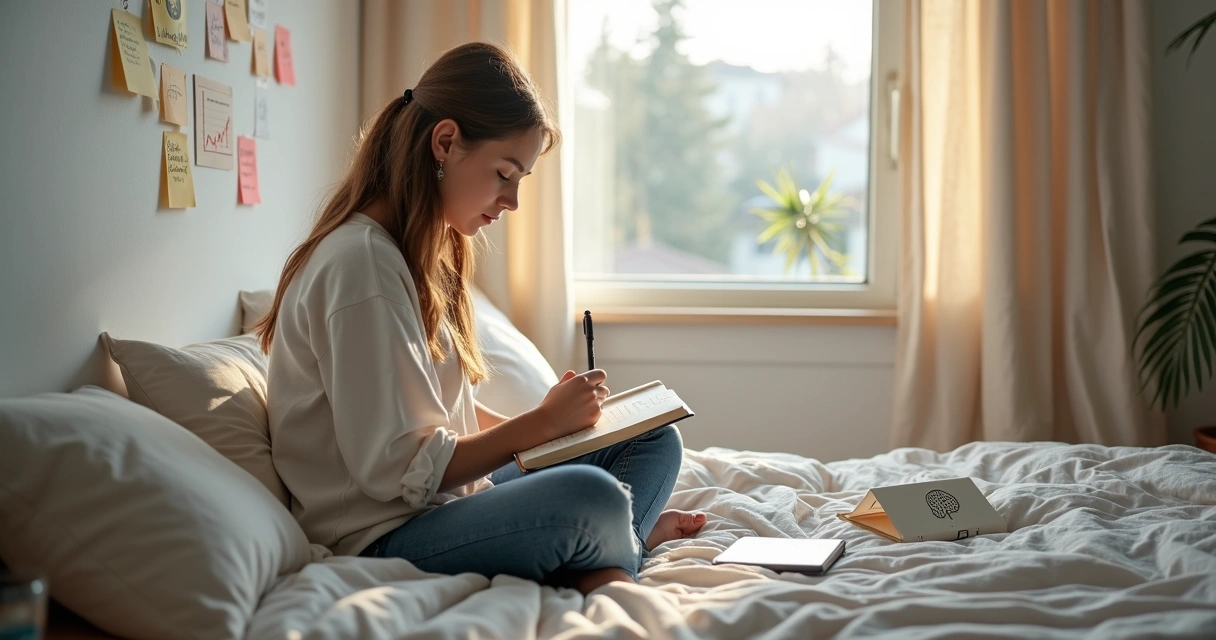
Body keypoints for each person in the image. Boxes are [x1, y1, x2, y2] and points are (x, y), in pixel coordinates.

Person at [251, 42, 705, 596]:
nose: (511, 200)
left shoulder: (410, 251)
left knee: (653, 438)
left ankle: (615, 542)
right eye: (504, 173)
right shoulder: (361, 265)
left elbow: (438, 415)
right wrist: (539, 428)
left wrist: (551, 421)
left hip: (450, 502)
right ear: (445, 142)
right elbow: (399, 469)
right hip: (384, 533)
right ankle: (618, 544)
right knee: (595, 497)